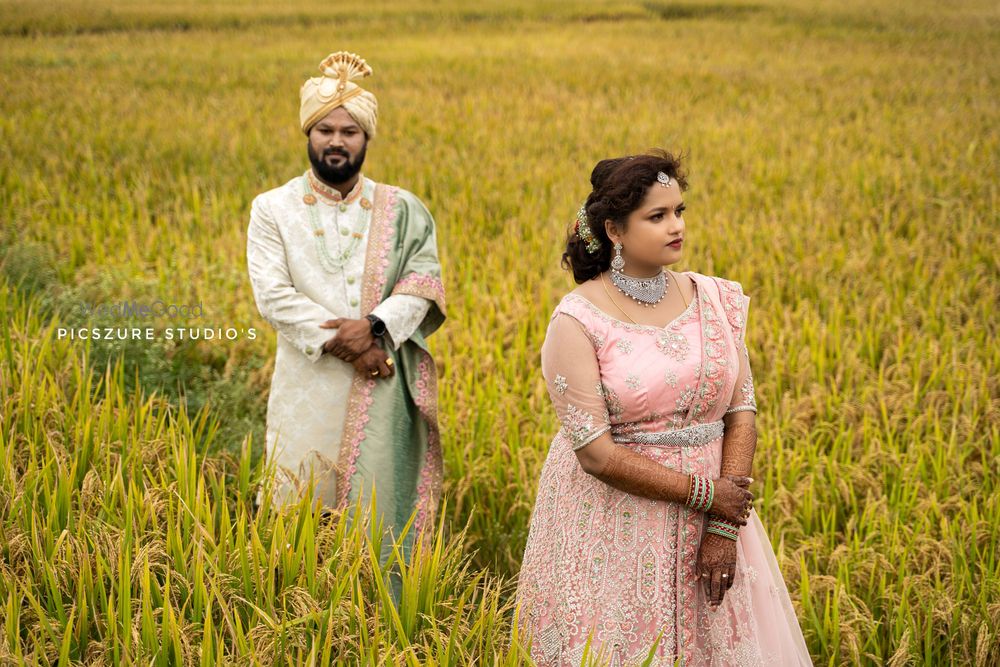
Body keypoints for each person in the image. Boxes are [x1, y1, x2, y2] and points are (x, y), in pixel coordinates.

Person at [514, 151, 811, 665]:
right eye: (658, 216)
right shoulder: (577, 320)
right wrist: (706, 495)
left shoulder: (714, 298)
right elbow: (596, 456)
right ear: (614, 230)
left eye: (680, 210)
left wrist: (722, 522)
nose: (677, 226)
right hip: (612, 522)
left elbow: (741, 411)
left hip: (718, 513)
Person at [246, 51, 446, 562]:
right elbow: (272, 296)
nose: (337, 140)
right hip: (306, 388)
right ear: (308, 134)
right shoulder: (272, 208)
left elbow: (422, 282)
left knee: (377, 525)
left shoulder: (404, 209)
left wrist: (375, 326)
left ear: (366, 139)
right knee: (298, 522)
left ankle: (373, 625)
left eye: (350, 131)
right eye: (325, 129)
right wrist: (355, 346)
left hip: (378, 386)